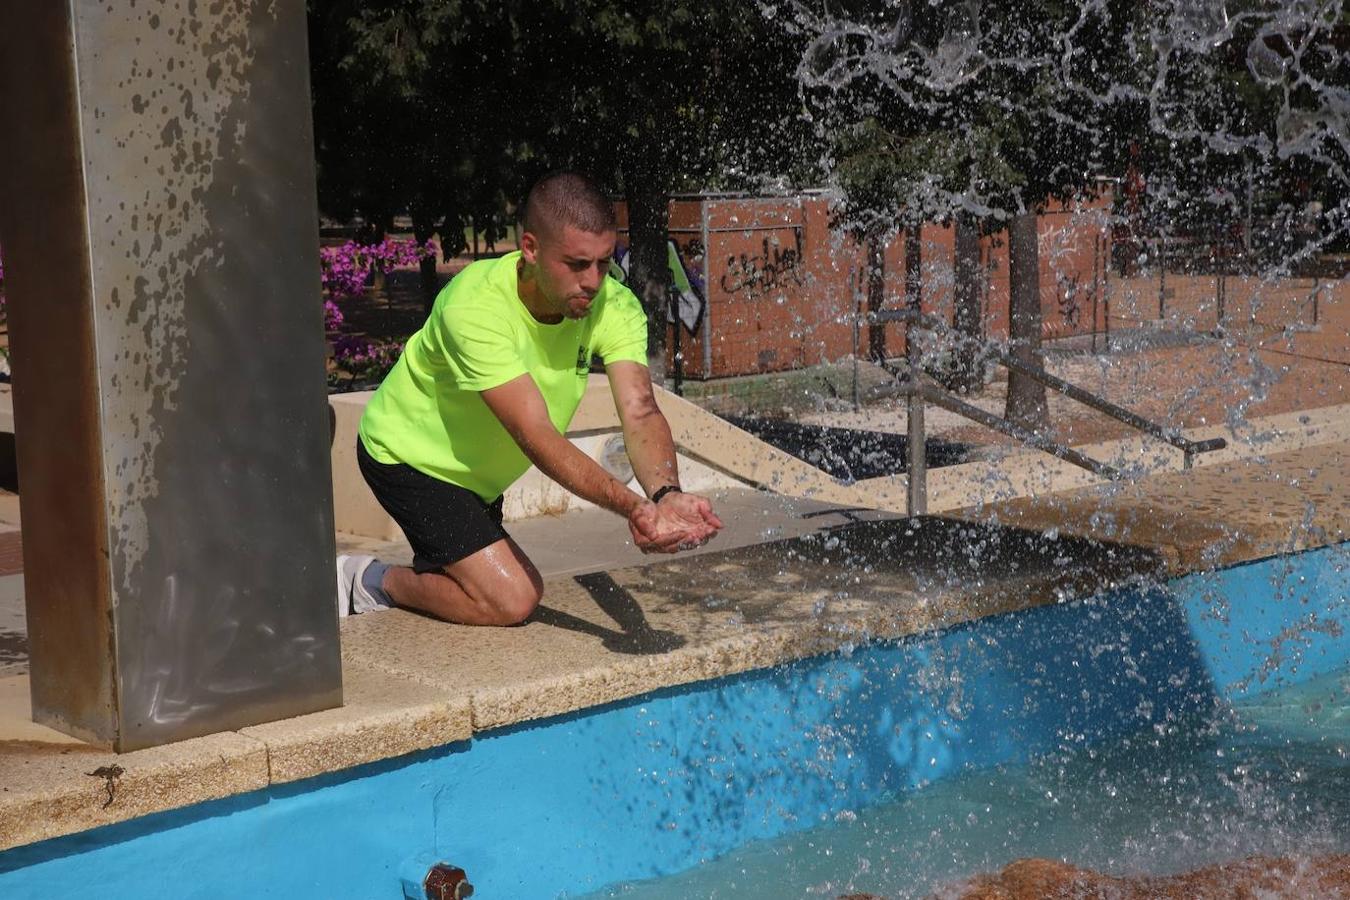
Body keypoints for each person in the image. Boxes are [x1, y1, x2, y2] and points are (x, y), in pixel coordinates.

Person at [336, 172, 723, 625]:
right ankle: (367, 580)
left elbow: (640, 410)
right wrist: (633, 507)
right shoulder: (475, 307)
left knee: (464, 575)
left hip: (478, 477)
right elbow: (534, 433)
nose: (593, 281)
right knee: (512, 599)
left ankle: (429, 566)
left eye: (603, 262)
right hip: (409, 458)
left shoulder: (613, 306)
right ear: (531, 249)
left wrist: (665, 492)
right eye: (577, 264)